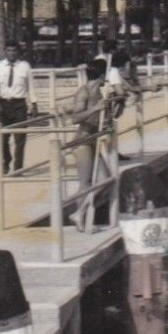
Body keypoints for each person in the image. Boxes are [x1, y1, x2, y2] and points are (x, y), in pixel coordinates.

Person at [67, 62, 110, 231]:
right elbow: (75, 118)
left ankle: (80, 213)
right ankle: (80, 217)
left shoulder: (100, 92)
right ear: (101, 76)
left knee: (105, 180)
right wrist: (96, 109)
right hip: (82, 141)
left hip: (94, 139)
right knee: (85, 182)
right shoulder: (84, 92)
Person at [0, 42, 32, 173]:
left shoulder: (25, 66)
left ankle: (18, 169)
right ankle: (6, 161)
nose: (11, 53)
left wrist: (34, 103)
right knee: (2, 138)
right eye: (9, 50)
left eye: (14, 50)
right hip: (3, 105)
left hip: (19, 105)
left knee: (20, 138)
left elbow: (30, 86)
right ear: (5, 52)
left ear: (18, 52)